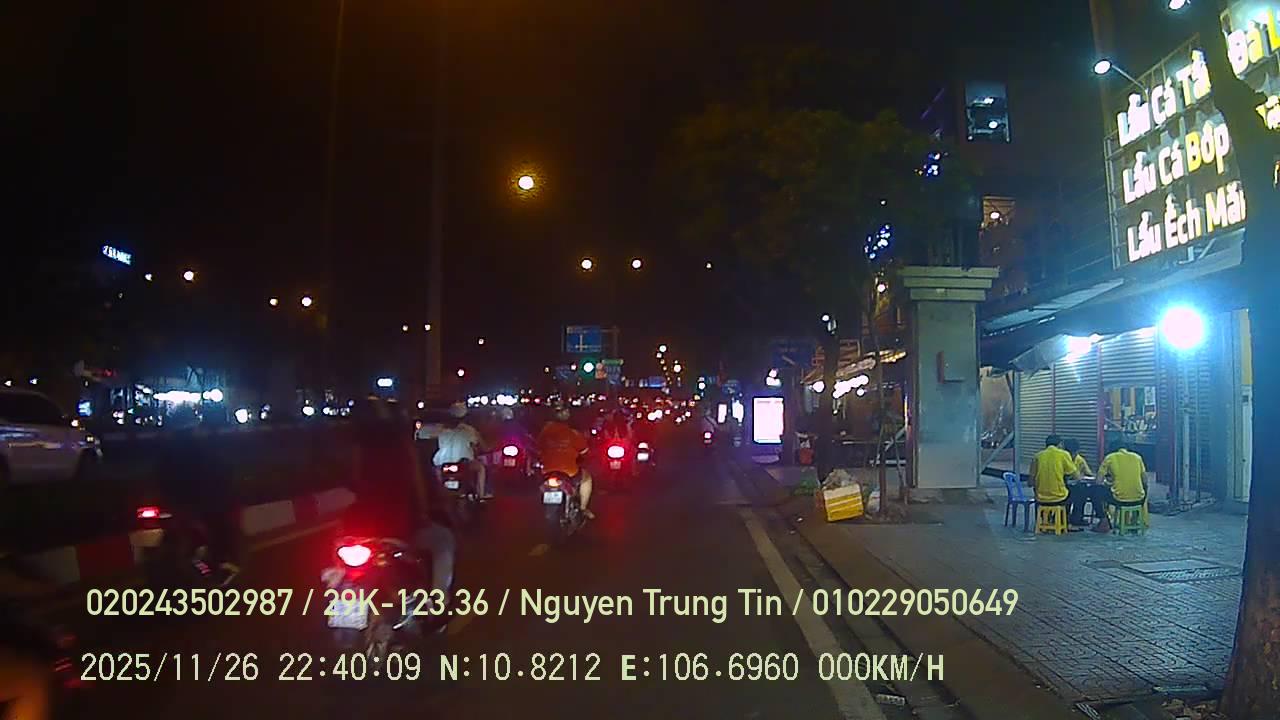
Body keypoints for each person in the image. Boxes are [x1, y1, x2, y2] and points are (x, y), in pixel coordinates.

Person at [536, 406, 595, 519]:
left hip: (547, 471)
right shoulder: (573, 434)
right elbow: (584, 451)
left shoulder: (545, 432)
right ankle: (583, 509)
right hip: (569, 472)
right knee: (587, 478)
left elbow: (538, 448)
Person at [433, 402, 489, 500]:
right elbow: (481, 445)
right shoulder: (469, 430)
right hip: (464, 464)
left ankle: (438, 496)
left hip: (442, 464)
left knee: (436, 474)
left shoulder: (441, 429)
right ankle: (480, 495)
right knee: (481, 468)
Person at [1090, 442, 1149, 533]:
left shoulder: (1110, 457)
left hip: (1119, 499)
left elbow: (1098, 481)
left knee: (1095, 490)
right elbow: (1145, 480)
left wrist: (1108, 483)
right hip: (1138, 500)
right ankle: (1134, 520)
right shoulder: (1137, 457)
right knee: (1145, 488)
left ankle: (1103, 521)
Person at [1028, 434, 1079, 527]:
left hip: (1040, 499)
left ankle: (1044, 520)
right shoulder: (1064, 454)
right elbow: (1076, 477)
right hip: (1059, 498)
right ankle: (1066, 521)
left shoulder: (1037, 456)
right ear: (1060, 444)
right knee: (1077, 493)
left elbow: (1030, 483)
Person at [1063, 438, 1095, 527]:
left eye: (1074, 453)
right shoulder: (1061, 458)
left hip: (1075, 487)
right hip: (1062, 487)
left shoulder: (1080, 460)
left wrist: (1088, 477)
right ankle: (1064, 517)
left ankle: (1076, 518)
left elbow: (1089, 473)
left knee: (1082, 491)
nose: (1073, 456)